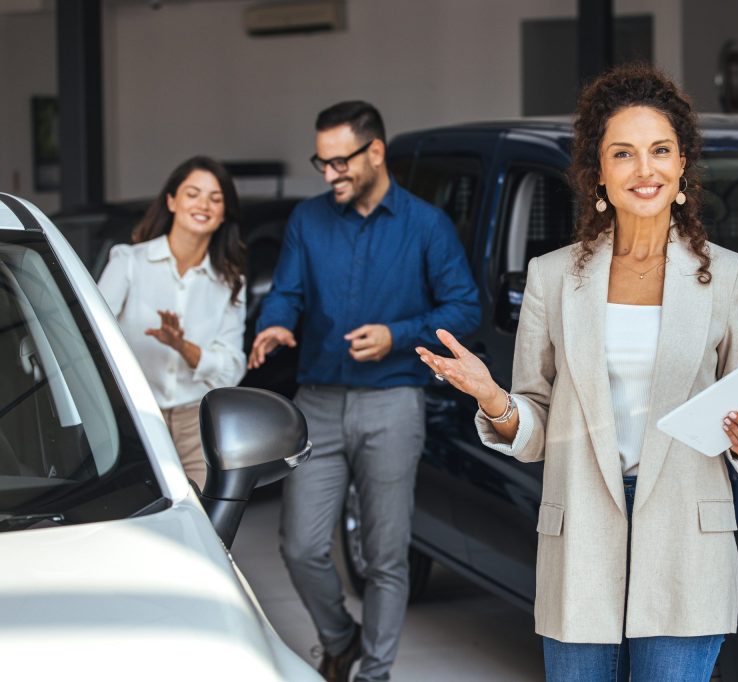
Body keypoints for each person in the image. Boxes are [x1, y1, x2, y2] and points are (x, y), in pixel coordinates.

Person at [415, 63, 738, 682]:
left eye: (661, 150)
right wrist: (494, 398)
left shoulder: (730, 276)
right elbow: (535, 424)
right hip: (580, 532)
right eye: (624, 153)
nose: (646, 169)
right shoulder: (553, 278)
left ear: (683, 163)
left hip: (689, 541)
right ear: (598, 173)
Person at [248, 100, 479, 682]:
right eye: (321, 164)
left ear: (375, 152)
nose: (329, 176)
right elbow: (288, 293)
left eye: (339, 162)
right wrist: (274, 323)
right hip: (317, 403)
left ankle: (374, 673)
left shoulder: (427, 226)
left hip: (393, 403)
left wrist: (397, 336)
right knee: (300, 546)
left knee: (385, 556)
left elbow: (465, 308)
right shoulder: (309, 220)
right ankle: (341, 638)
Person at [99, 156, 247, 491]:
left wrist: (183, 347)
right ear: (171, 200)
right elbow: (93, 339)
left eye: (215, 198)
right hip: (134, 416)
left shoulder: (229, 281)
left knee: (201, 527)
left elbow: (232, 369)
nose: (204, 205)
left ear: (224, 213)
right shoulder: (129, 262)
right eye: (193, 193)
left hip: (198, 423)